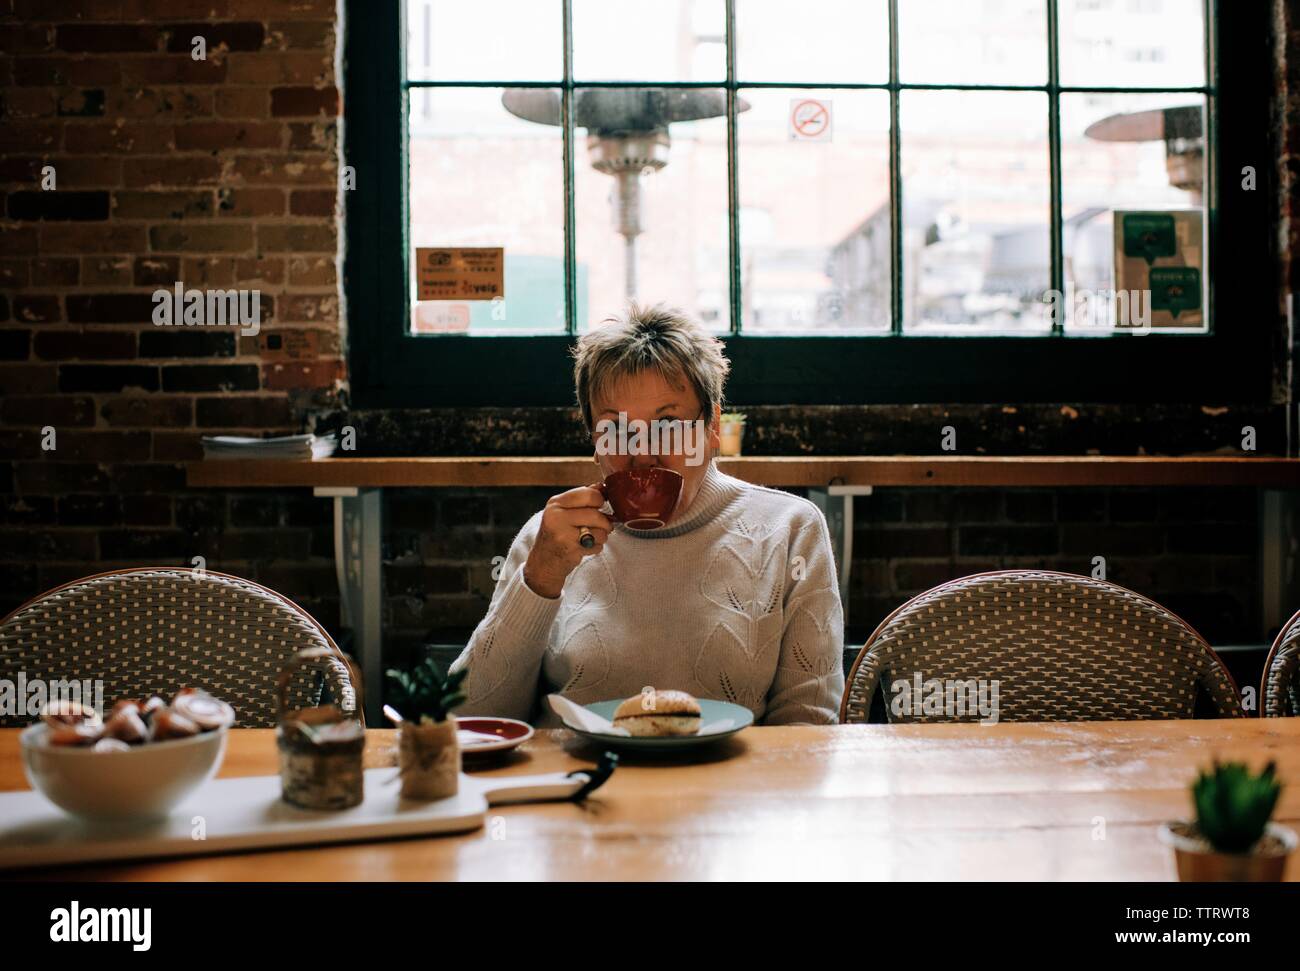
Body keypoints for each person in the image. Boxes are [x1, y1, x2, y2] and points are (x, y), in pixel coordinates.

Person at [448, 302, 844, 726]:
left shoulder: (791, 530)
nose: (643, 454)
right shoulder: (549, 541)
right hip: (581, 781)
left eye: (669, 424)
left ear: (711, 430)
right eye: (617, 429)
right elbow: (469, 719)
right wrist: (540, 579)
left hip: (729, 786)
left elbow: (808, 728)